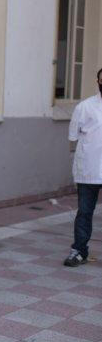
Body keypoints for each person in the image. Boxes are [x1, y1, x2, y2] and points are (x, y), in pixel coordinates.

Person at [65, 68, 102, 267]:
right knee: (85, 212)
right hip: (89, 170)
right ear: (98, 81)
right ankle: (79, 250)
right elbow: (73, 138)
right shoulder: (84, 107)